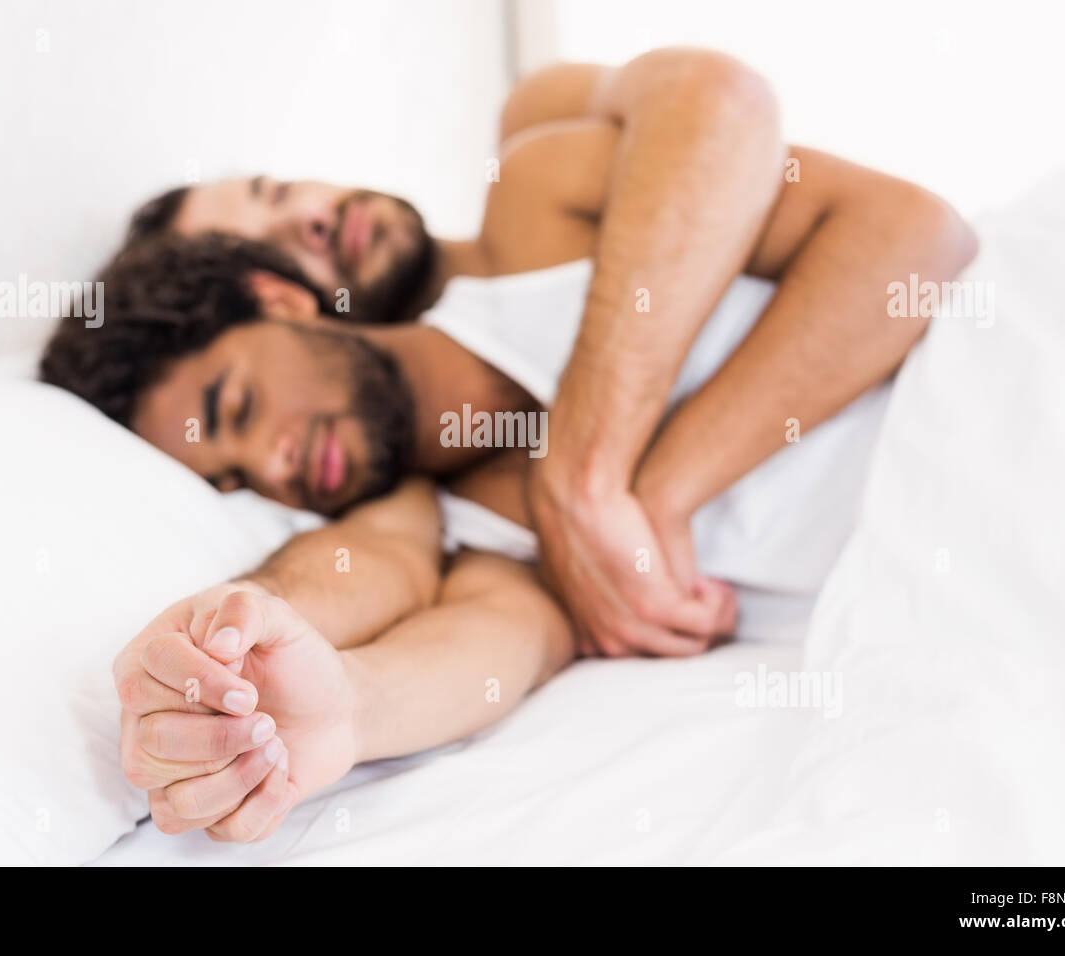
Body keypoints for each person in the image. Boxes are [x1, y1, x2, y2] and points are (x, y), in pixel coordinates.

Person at [103, 47, 976, 657]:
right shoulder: (440, 492)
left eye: (278, 191)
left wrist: (603, 477)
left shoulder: (537, 160)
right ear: (277, 298)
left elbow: (720, 104)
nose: (313, 221)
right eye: (275, 249)